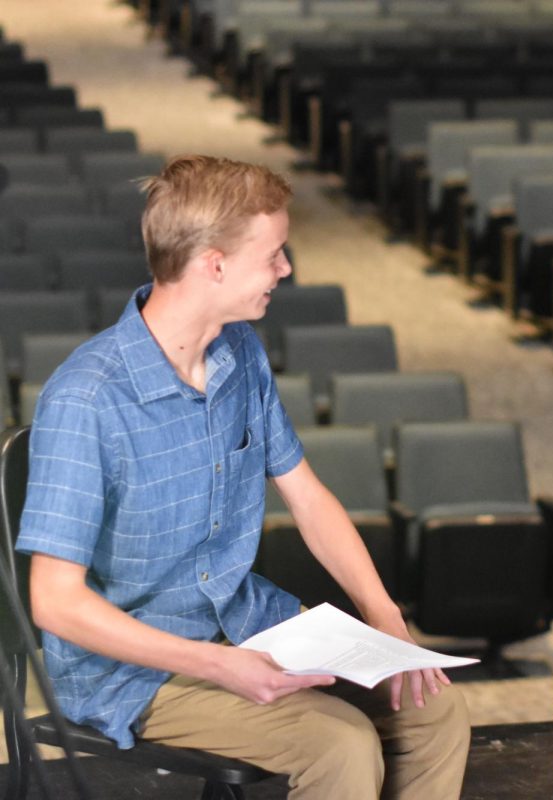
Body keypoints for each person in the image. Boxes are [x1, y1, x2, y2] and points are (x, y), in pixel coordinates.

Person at [16, 155, 469, 799]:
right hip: (131, 670)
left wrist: (382, 612)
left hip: (242, 621)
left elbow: (308, 497)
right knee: (339, 745)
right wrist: (217, 665)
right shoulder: (88, 399)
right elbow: (54, 602)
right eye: (275, 254)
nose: (285, 270)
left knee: (434, 708)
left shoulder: (239, 350)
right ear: (214, 265)